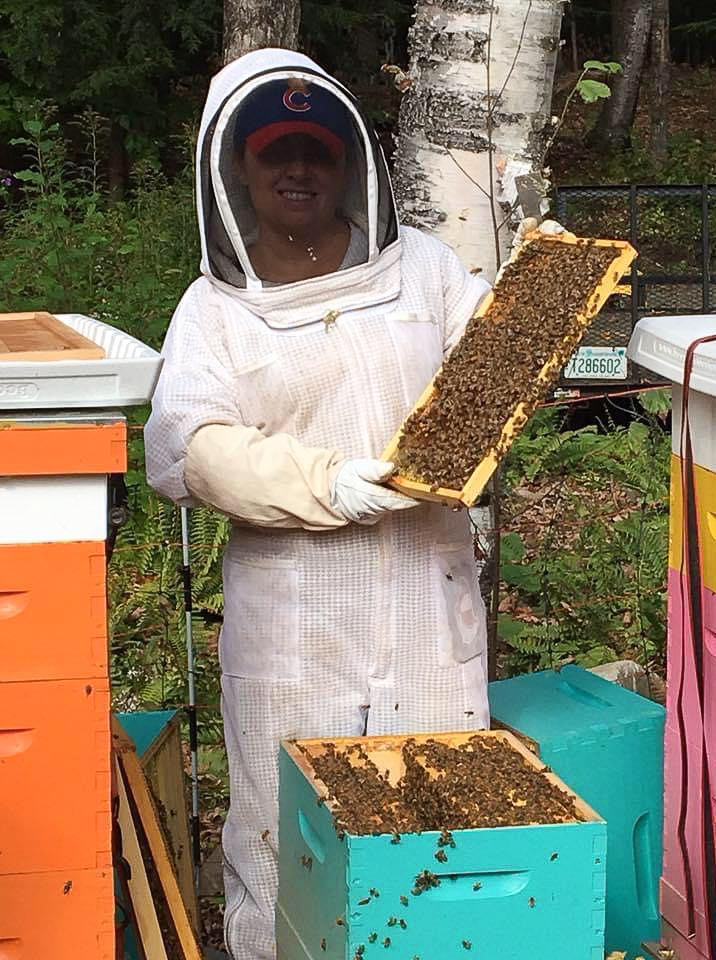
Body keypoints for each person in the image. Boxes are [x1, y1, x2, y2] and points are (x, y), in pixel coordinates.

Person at [144, 48, 494, 960]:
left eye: (318, 150)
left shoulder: (424, 269)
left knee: (435, 813)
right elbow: (189, 446)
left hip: (428, 590)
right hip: (296, 614)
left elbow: (490, 374)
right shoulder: (214, 310)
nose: (298, 170)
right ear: (238, 171)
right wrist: (323, 481)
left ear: (352, 165)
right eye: (275, 153)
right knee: (284, 830)